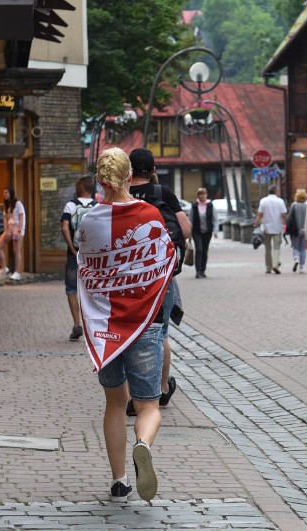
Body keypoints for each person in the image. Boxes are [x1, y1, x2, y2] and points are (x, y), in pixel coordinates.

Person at [78, 147, 176, 502]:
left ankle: (119, 480)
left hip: (106, 329)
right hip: (144, 322)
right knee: (148, 406)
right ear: (129, 175)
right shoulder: (149, 213)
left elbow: (86, 265)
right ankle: (143, 443)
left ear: (100, 179)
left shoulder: (88, 220)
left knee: (114, 403)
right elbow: (167, 257)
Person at [127, 148, 190, 416]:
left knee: (129, 331)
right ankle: (161, 389)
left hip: (127, 277)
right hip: (160, 277)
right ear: (153, 170)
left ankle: (134, 396)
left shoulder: (121, 196)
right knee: (159, 332)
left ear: (129, 171)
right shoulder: (163, 193)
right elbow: (185, 230)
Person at [61, 175, 95, 340]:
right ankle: (92, 326)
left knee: (72, 289)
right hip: (93, 256)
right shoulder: (97, 206)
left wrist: (72, 248)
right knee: (92, 289)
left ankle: (77, 325)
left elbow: (65, 227)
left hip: (74, 253)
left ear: (81, 186)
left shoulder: (70, 205)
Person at [254, 186, 287, 274]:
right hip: (277, 227)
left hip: (266, 228)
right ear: (276, 191)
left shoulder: (263, 201)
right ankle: (275, 264)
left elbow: (259, 214)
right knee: (276, 247)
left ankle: (268, 267)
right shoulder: (280, 201)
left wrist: (256, 224)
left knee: (267, 248)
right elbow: (284, 215)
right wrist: (285, 224)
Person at [0, 187, 26, 281]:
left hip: (17, 228)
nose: (4, 194)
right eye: (3, 192)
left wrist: (20, 230)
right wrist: (6, 230)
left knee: (16, 250)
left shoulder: (18, 203)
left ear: (11, 193)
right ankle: (4, 267)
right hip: (9, 228)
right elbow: (5, 218)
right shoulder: (6, 205)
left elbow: (21, 217)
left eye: (6, 192)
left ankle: (17, 272)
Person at [191, 187, 216, 278]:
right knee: (199, 249)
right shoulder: (194, 206)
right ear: (198, 196)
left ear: (206, 195)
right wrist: (189, 232)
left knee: (205, 251)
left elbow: (215, 219)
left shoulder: (210, 205)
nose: (203, 196)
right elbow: (191, 219)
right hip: (196, 231)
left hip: (207, 231)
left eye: (204, 194)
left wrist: (215, 231)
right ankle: (197, 271)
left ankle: (202, 270)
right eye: (201, 194)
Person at [286, 189, 307, 273]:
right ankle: (301, 267)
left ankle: (296, 258)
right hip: (306, 230)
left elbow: (289, 217)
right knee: (303, 248)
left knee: (295, 246)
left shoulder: (294, 205)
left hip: (296, 230)